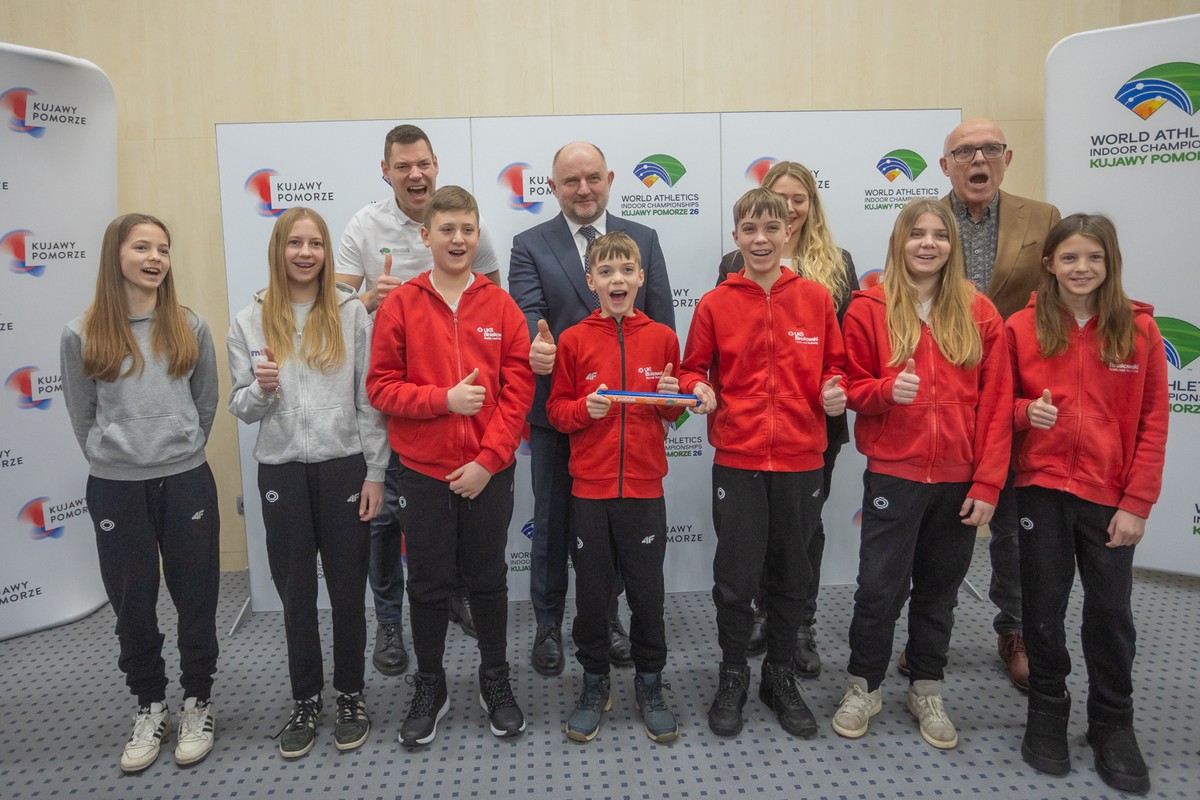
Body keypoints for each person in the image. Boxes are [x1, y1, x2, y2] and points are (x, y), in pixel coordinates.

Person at [832, 199, 1011, 750]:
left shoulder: (980, 312)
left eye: (940, 235)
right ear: (899, 242)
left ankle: (927, 686)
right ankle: (864, 684)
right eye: (917, 234)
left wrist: (988, 483)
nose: (928, 244)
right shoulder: (868, 307)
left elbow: (997, 405)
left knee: (939, 591)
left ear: (952, 246)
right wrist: (888, 391)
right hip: (895, 474)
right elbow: (850, 386)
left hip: (958, 479)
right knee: (878, 588)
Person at [367, 186, 534, 747]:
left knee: (488, 579)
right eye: (447, 230)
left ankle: (495, 678)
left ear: (477, 235)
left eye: (467, 230)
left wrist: (488, 461)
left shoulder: (501, 306)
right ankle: (430, 685)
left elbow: (518, 391)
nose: (458, 239)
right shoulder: (401, 304)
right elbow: (381, 388)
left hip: (489, 472)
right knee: (428, 583)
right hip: (422, 473)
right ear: (426, 236)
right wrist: (443, 400)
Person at [1007, 214, 1167, 795]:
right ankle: (1048, 709)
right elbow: (999, 407)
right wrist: (1027, 413)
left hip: (1109, 499)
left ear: (1110, 263)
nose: (1081, 268)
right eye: (1070, 257)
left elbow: (1153, 423)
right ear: (1049, 263)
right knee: (1042, 608)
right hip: (1041, 489)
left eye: (1094, 257)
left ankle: (1112, 722)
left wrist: (1138, 502)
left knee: (1110, 613)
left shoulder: (1140, 331)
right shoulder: (1021, 327)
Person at [679, 188, 846, 739]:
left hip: (801, 459)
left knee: (793, 573)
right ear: (736, 237)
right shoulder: (714, 303)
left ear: (788, 232)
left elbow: (836, 365)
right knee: (736, 576)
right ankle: (733, 674)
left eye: (771, 228)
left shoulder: (816, 299)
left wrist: (834, 387)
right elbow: (691, 368)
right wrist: (697, 388)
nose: (761, 239)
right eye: (749, 229)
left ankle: (779, 677)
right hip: (739, 457)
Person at [60, 213, 220, 773]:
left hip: (186, 479)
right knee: (132, 602)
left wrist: (180, 448)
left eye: (163, 249)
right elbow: (82, 414)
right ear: (116, 255)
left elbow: (205, 402)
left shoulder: (189, 325)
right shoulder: (81, 333)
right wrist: (114, 455)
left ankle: (198, 700)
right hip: (116, 488)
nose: (155, 259)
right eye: (142, 248)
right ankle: (150, 704)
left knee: (196, 594)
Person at [509, 141, 675, 676]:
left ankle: (606, 619)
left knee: (614, 528)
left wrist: (665, 393)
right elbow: (528, 316)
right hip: (559, 412)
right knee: (552, 521)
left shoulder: (643, 239)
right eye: (570, 181)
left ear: (609, 179)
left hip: (628, 419)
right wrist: (538, 349)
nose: (583, 190)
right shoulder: (529, 244)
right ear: (552, 187)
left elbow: (662, 322)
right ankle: (548, 625)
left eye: (593, 178)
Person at [228, 207, 387, 758]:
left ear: (326, 252)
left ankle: (350, 694)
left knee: (347, 589)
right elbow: (240, 406)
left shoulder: (351, 313)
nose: (305, 253)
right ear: (279, 249)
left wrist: (375, 472)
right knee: (295, 591)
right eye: (294, 242)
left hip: (343, 466)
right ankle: (305, 698)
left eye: (315, 243)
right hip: (281, 470)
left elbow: (368, 401)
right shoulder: (249, 319)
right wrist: (261, 391)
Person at [336, 124, 486, 679]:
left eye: (423, 163)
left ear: (436, 163)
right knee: (384, 522)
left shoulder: (463, 219)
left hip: (456, 400)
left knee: (455, 507)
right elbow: (335, 312)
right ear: (386, 171)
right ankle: (389, 623)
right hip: (386, 395)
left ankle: (456, 596)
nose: (415, 174)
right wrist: (367, 299)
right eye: (403, 166)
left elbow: (490, 300)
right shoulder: (363, 225)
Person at [716, 160, 859, 677]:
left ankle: (799, 623)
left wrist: (835, 388)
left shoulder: (836, 265)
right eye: (780, 199)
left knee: (803, 532)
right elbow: (723, 349)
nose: (790, 208)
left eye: (799, 199)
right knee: (752, 534)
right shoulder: (732, 264)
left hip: (813, 425)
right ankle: (760, 614)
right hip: (750, 430)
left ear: (810, 205)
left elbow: (843, 348)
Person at [933, 118, 1062, 692]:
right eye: (964, 152)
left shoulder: (1044, 217)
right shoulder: (923, 220)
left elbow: (1056, 299)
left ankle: (1016, 629)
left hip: (1019, 390)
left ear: (1007, 158)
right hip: (946, 389)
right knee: (940, 521)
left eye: (989, 149)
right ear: (946, 166)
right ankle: (928, 633)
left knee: (1013, 522)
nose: (978, 160)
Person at [546, 231, 683, 744]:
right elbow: (557, 412)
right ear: (591, 282)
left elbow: (675, 413)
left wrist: (672, 399)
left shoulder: (663, 338)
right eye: (606, 272)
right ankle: (595, 681)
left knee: (648, 596)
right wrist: (585, 410)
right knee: (592, 597)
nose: (617, 279)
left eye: (626, 269)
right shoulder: (574, 340)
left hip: (645, 490)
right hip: (591, 491)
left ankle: (650, 682)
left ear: (641, 277)